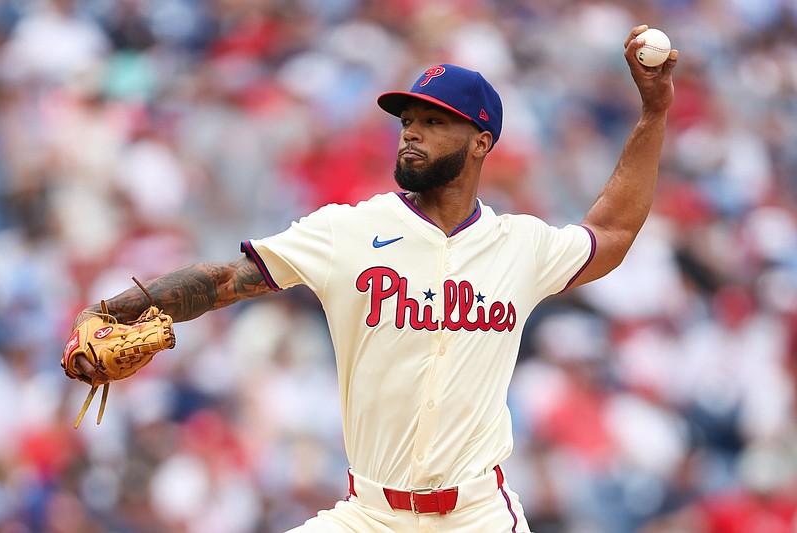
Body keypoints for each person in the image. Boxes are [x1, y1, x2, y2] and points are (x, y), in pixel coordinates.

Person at [64, 25, 677, 533]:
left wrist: (654, 113)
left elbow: (615, 232)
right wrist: (117, 310)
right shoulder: (349, 230)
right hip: (369, 515)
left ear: (481, 142)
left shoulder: (519, 245)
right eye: (408, 118)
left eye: (436, 121)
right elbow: (228, 278)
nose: (412, 130)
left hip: (478, 515)